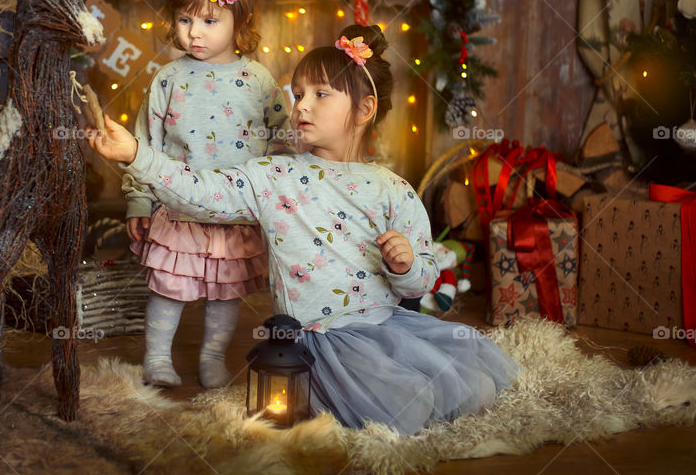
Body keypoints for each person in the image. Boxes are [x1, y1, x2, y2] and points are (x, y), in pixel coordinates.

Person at [95, 24, 519, 433]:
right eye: (297, 94)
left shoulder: (392, 189)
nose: (300, 106)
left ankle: (412, 383)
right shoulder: (273, 175)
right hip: (321, 341)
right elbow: (201, 192)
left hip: (386, 328)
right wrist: (136, 154)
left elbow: (422, 280)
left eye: (320, 95)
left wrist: (405, 265)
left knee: (474, 385)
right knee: (406, 405)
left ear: (364, 109)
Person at [121, 0, 292, 389]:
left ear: (240, 21)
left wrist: (275, 198)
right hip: (179, 210)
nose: (194, 32)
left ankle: (212, 357)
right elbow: (145, 144)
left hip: (235, 213)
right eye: (184, 20)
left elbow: (283, 141)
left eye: (210, 20)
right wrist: (140, 200)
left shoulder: (258, 80)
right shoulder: (168, 78)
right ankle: (157, 357)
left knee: (226, 291)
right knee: (168, 288)